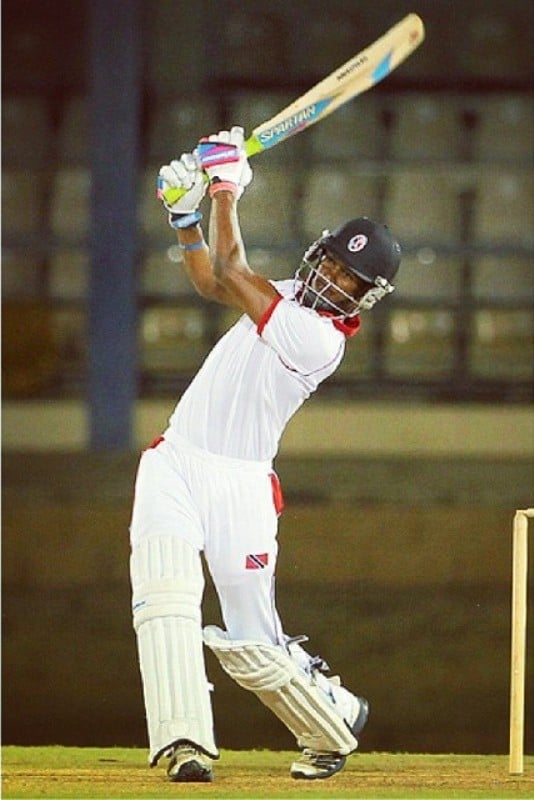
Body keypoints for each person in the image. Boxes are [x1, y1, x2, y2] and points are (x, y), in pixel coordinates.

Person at [129, 126, 401, 783]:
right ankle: (184, 743)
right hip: (175, 459)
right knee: (164, 598)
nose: (332, 278)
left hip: (241, 488)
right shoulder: (280, 288)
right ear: (318, 253)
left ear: (363, 296)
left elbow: (232, 272)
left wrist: (226, 191)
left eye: (349, 277)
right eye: (332, 261)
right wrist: (186, 216)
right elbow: (211, 280)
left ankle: (329, 725)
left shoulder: (319, 340)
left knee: (251, 642)